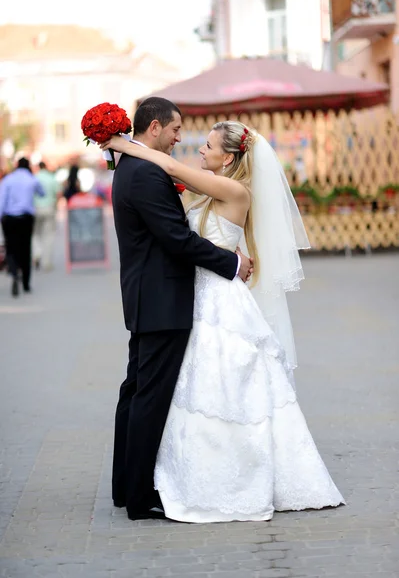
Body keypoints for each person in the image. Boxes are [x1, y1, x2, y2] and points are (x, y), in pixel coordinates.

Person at [102, 118, 345, 523]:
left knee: (223, 387)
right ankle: (177, 474)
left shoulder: (234, 189)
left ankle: (226, 475)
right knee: (190, 390)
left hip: (219, 303)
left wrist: (125, 146)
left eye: (208, 146)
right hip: (196, 298)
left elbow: (174, 169)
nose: (198, 149)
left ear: (229, 157)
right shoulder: (209, 192)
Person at [109, 97, 253, 521]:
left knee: (135, 391)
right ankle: (137, 495)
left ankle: (126, 486)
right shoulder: (147, 172)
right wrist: (231, 263)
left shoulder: (130, 167)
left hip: (149, 298)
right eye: (175, 130)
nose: (180, 138)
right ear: (154, 128)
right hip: (161, 301)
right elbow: (177, 239)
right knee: (148, 397)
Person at [0, 158, 45, 297]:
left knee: (11, 247)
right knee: (26, 249)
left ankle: (14, 272)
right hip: (26, 218)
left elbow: (2, 200)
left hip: (9, 218)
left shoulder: (8, 179)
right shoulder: (32, 179)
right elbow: (42, 193)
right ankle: (25, 283)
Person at [32, 161, 60, 271]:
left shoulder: (34, 178)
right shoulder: (51, 178)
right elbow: (58, 194)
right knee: (48, 236)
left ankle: (37, 253)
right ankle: (46, 262)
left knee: (35, 234)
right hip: (49, 208)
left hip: (35, 209)